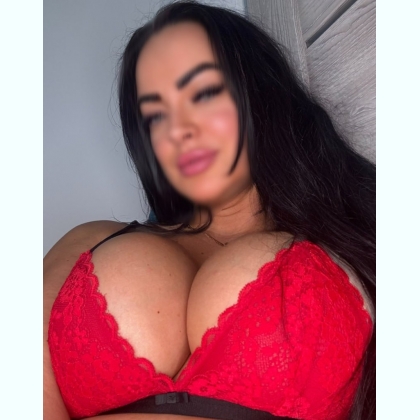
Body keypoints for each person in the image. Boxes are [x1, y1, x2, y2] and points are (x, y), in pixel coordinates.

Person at [43, 2, 376, 420]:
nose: (179, 129)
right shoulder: (90, 240)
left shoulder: (358, 230)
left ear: (260, 92)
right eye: (155, 116)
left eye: (202, 93)